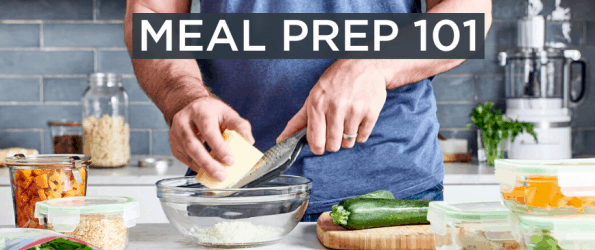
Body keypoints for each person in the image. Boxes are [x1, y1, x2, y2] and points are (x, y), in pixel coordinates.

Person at [125, 0, 492, 221]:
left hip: (390, 199)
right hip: (235, 190)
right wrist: (185, 98)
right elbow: (151, 11)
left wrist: (377, 65)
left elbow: (470, 13)